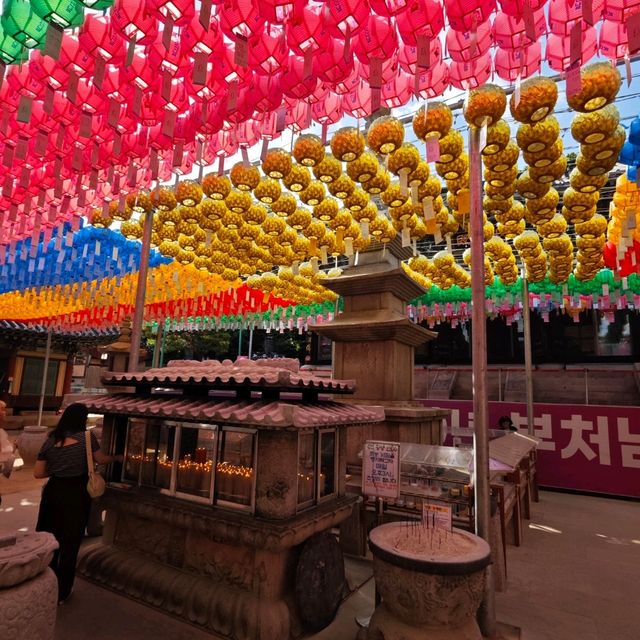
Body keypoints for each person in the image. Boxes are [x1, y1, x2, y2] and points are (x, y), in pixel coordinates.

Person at [34, 403, 122, 604]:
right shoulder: (87, 438)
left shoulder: (50, 439)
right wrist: (117, 457)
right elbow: (101, 459)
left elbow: (38, 472)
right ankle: (62, 591)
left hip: (53, 492)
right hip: (76, 493)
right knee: (70, 542)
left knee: (50, 538)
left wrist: (58, 471)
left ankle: (45, 586)